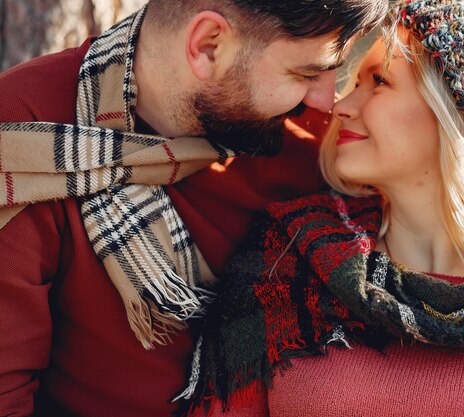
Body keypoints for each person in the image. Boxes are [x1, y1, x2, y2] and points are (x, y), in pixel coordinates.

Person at [182, 0, 464, 416]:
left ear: (457, 116)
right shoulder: (288, 262)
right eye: (354, 83)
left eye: (379, 81)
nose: (343, 106)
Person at [0, 0, 389, 416]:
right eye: (307, 73)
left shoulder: (319, 144)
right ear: (208, 45)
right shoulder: (30, 135)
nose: (327, 101)